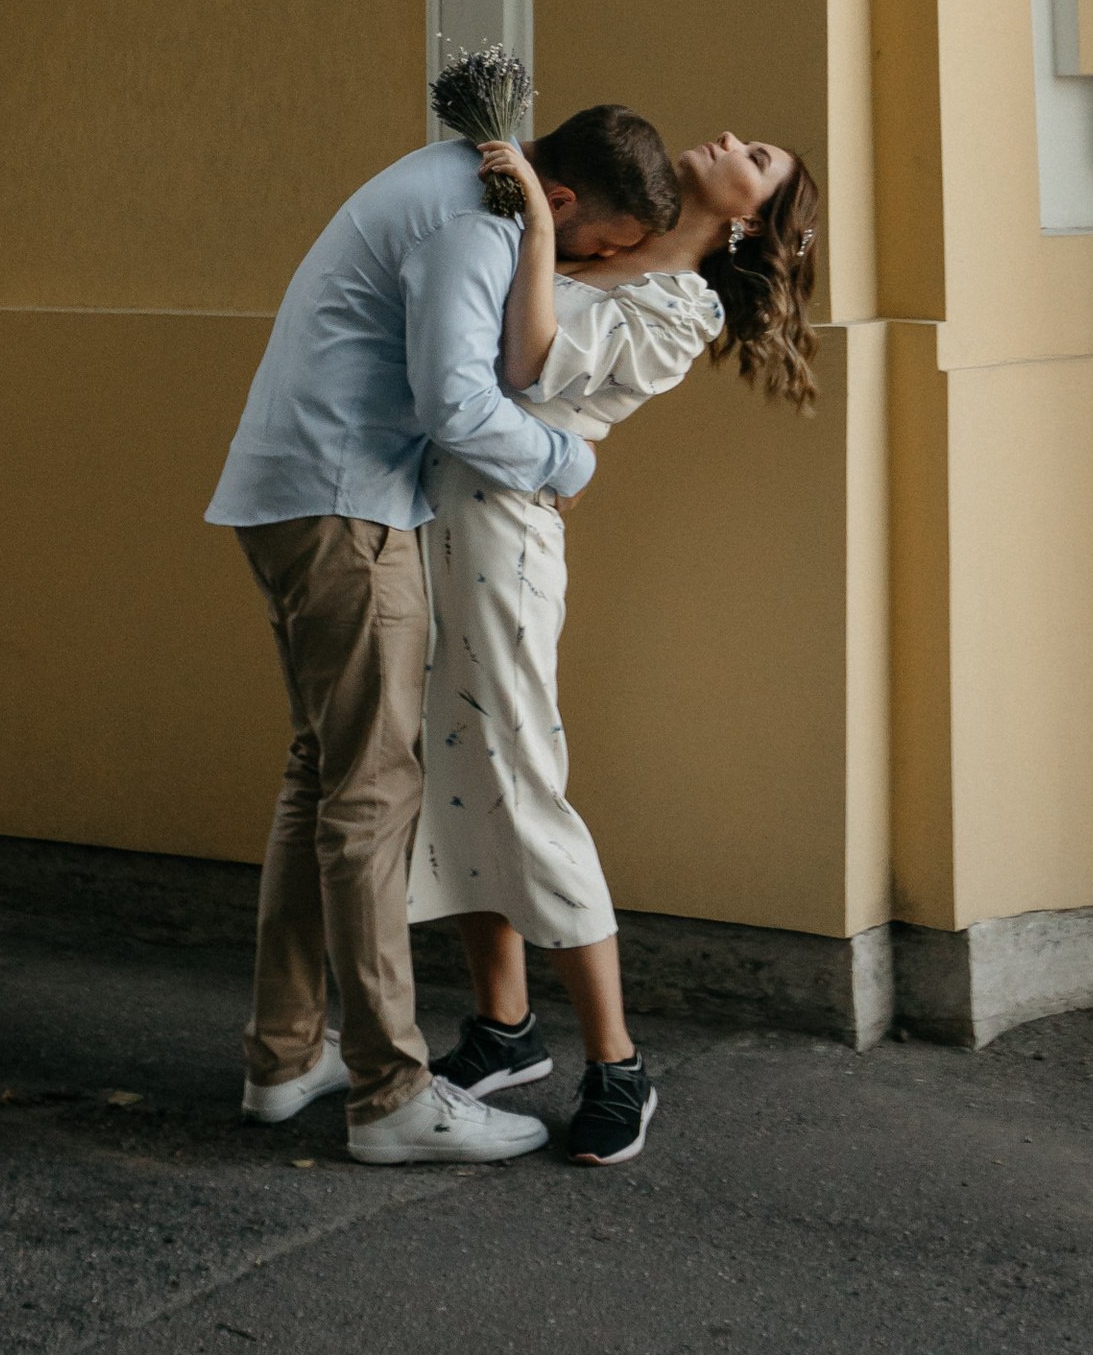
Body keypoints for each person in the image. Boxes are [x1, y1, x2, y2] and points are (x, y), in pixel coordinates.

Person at [204, 103, 679, 1165]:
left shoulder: (452, 179)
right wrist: (569, 464)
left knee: (321, 773)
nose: (580, 268)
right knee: (371, 797)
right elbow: (459, 405)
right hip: (348, 509)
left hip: (295, 494)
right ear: (557, 204)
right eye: (590, 248)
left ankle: (285, 1056)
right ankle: (390, 1097)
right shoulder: (475, 225)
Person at [409, 127, 820, 1167]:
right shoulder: (600, 248)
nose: (734, 138)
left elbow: (529, 362)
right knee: (449, 772)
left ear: (747, 217)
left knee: (522, 777)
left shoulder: (684, 306)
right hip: (431, 512)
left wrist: (538, 223)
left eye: (759, 157)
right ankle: (502, 1031)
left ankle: (618, 1064)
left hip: (504, 532)